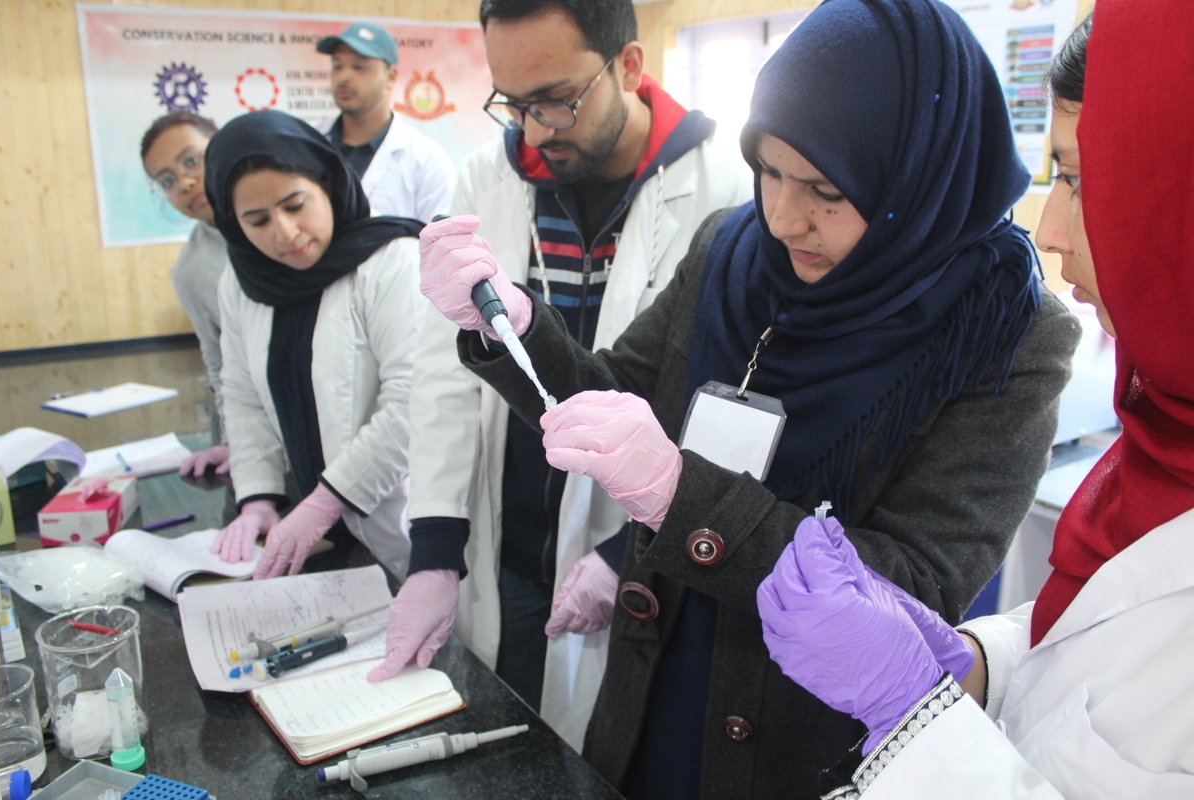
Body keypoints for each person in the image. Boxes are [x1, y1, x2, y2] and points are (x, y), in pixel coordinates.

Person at [412, 0, 1082, 795]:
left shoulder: (1005, 330)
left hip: (801, 745)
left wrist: (678, 495)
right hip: (651, 687)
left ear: (915, 174)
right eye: (768, 170)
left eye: (825, 189)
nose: (784, 216)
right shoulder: (732, 251)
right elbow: (617, 394)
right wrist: (512, 327)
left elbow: (912, 585)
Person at [757, 4, 1194, 797]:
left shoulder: (1008, 331)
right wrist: (978, 661)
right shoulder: (1167, 426)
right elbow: (1088, 647)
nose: (1051, 228)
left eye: (1080, 178)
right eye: (769, 172)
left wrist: (914, 709)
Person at [378, 0, 751, 747]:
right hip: (510, 545)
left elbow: (730, 402)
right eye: (512, 103)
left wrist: (627, 552)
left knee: (611, 755)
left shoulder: (725, 188)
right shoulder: (487, 179)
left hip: (639, 557)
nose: (534, 129)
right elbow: (446, 373)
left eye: (557, 99)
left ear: (631, 67)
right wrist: (435, 553)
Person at [202, 109, 424, 581]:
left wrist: (327, 501)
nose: (284, 233)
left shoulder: (392, 263)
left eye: (295, 204)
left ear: (326, 181)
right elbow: (242, 397)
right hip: (323, 527)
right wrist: (259, 497)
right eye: (257, 220)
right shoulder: (241, 283)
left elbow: (414, 400)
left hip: (409, 518)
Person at [140, 111, 231, 477]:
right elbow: (218, 361)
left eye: (191, 161)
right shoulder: (191, 271)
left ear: (223, 146)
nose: (185, 183)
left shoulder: (297, 226)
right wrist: (232, 442)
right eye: (167, 180)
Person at [316, 21, 456, 221]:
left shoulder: (427, 162)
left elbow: (437, 244)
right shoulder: (308, 142)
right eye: (337, 66)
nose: (344, 76)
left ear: (390, 77)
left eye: (359, 66)